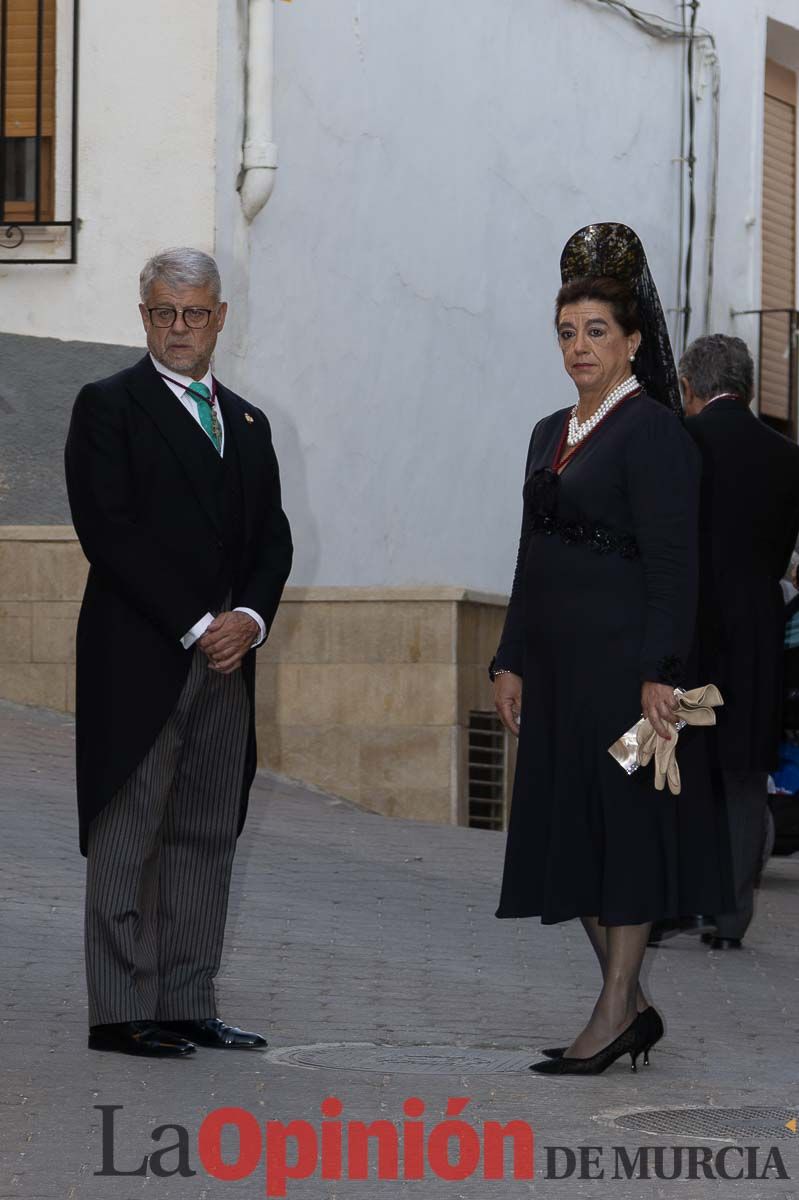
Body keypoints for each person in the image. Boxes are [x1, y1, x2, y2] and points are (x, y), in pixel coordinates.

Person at [490, 223, 729, 1076]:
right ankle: (627, 1006)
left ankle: (609, 1014)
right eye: (566, 331)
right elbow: (529, 555)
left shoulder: (654, 432)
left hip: (627, 673)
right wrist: (508, 655)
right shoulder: (545, 431)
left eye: (596, 331)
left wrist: (661, 674)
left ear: (632, 341)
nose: (578, 346)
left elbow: (675, 565)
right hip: (555, 671)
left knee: (622, 835)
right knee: (570, 833)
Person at [64, 247, 293, 1057]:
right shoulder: (108, 406)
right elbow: (109, 532)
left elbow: (272, 540)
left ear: (220, 318)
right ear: (144, 316)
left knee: (205, 832)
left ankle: (186, 1000)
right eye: (163, 312)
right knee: (129, 832)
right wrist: (199, 622)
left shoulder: (251, 422)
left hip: (229, 660)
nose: (178, 328)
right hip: (143, 654)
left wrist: (250, 620)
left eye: (194, 313)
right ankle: (120, 1011)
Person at [674, 335, 799, 948]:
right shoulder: (787, 457)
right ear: (746, 387)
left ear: (691, 386)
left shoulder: (682, 441)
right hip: (754, 643)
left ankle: (665, 905)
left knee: (655, 751)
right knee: (744, 776)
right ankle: (729, 920)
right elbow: (780, 557)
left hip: (691, 639)